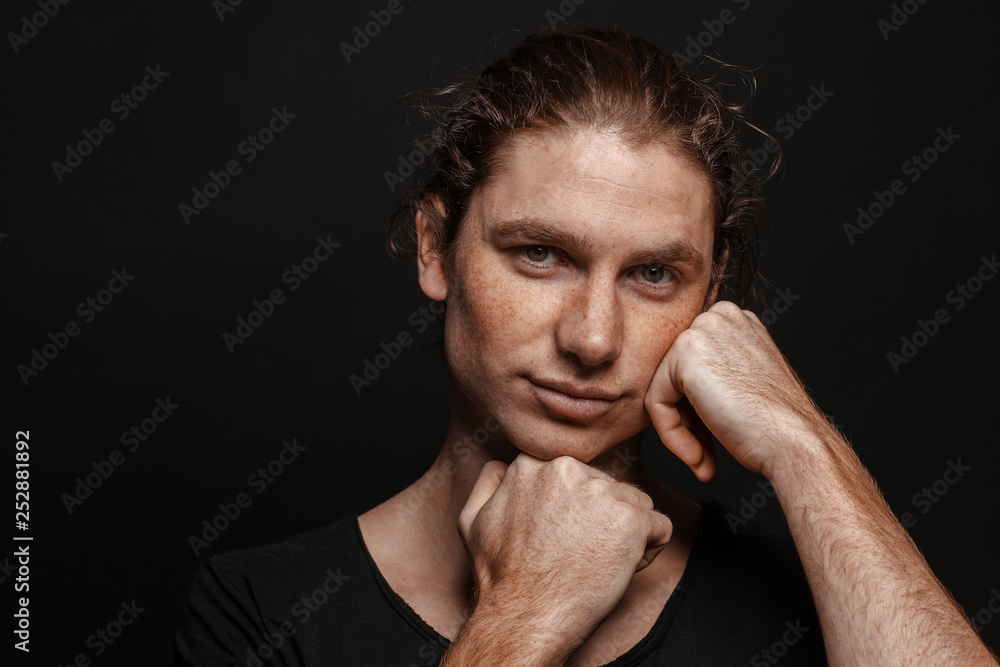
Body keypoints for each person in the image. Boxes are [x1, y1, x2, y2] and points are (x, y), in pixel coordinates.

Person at [175, 29, 998, 666]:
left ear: (711, 301)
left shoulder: (808, 602)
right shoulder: (260, 608)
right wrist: (525, 612)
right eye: (540, 253)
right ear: (435, 248)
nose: (593, 338)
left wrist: (804, 444)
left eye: (652, 274)